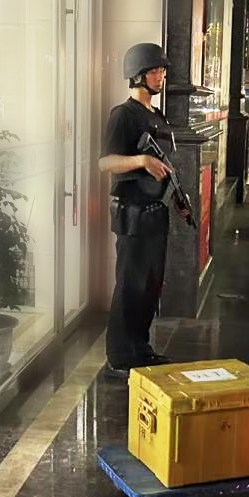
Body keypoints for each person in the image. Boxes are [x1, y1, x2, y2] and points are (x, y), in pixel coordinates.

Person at [99, 42, 174, 377]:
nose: (160, 77)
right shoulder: (123, 115)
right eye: (154, 71)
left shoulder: (156, 116)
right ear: (137, 75)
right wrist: (141, 160)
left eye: (162, 71)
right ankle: (120, 356)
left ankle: (140, 350)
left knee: (150, 287)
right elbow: (105, 162)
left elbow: (165, 165)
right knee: (130, 286)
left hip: (156, 212)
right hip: (132, 214)